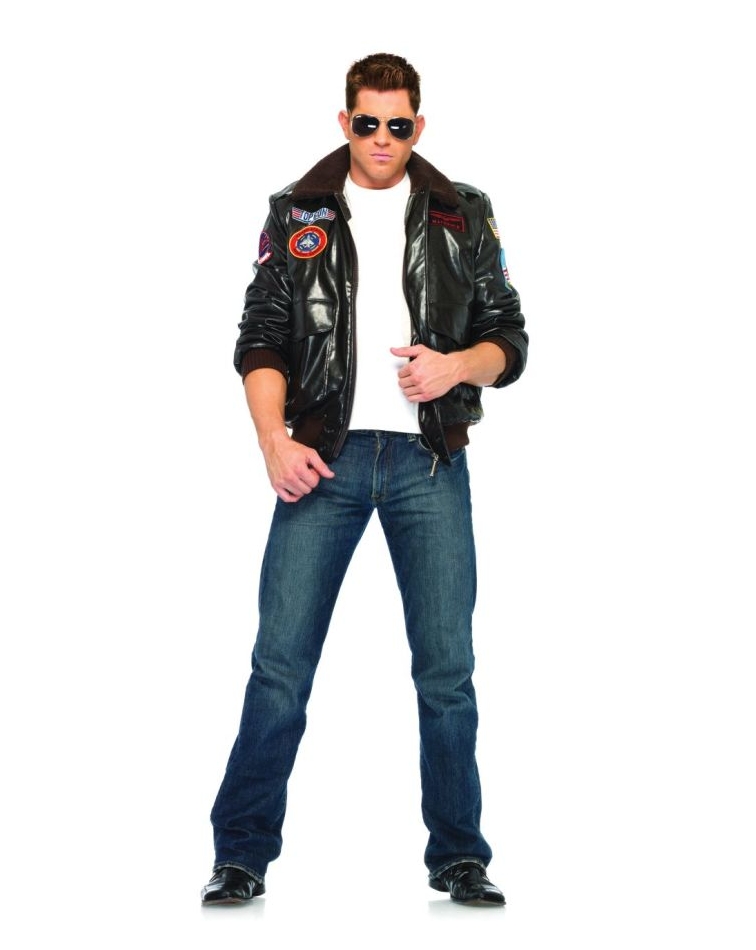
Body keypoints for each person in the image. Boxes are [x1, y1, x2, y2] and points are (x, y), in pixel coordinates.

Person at [202, 52, 527, 907]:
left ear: (419, 126)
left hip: (429, 460)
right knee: (280, 665)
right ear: (344, 122)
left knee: (447, 671)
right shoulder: (297, 211)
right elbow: (260, 337)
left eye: (399, 124)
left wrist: (456, 365)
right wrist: (272, 442)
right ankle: (240, 855)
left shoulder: (462, 212)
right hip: (325, 459)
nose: (383, 138)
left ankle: (459, 856)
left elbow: (510, 339)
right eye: (368, 122)